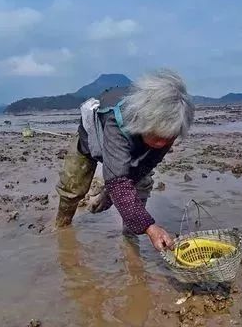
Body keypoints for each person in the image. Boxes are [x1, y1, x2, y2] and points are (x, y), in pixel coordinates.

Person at [55, 70, 195, 252]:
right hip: (91, 139)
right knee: (72, 189)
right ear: (144, 121)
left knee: (140, 185)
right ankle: (61, 229)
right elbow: (119, 182)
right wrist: (151, 227)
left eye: (168, 139)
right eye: (158, 136)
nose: (162, 144)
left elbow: (144, 166)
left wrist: (111, 195)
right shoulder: (117, 120)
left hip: (134, 146)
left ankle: (130, 241)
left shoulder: (173, 125)